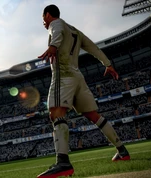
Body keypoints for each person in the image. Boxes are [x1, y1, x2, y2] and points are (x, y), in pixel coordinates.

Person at [37, 4, 130, 178]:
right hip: (78, 77)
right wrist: (107, 64)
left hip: (63, 74)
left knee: (56, 113)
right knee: (94, 115)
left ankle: (62, 162)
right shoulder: (75, 31)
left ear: (48, 15)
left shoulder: (55, 24)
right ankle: (122, 151)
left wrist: (53, 46)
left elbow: (56, 32)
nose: (43, 22)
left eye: (43, 18)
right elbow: (92, 47)